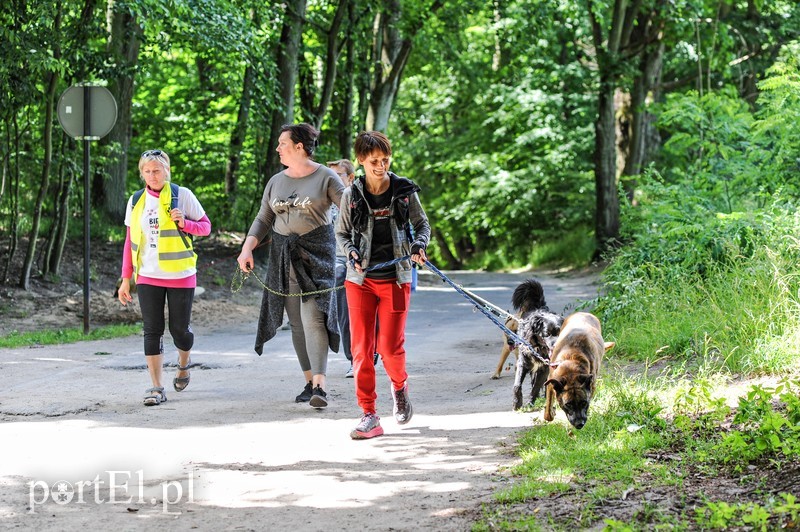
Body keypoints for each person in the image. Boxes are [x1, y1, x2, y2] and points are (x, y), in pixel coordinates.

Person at [237, 123, 345, 409]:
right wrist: (247, 247)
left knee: (313, 319)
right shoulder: (276, 181)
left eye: (282, 143)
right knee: (296, 322)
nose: (277, 148)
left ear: (299, 147)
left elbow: (348, 210)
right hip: (283, 258)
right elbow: (263, 219)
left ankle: (321, 385)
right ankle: (309, 382)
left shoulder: (326, 177)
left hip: (317, 257)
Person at [335, 130, 431, 439]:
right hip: (360, 281)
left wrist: (419, 245)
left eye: (385, 160)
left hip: (395, 277)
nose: (381, 166)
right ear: (361, 161)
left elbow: (422, 224)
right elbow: (342, 234)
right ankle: (369, 415)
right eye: (374, 161)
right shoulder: (351, 194)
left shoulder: (403, 191)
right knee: (362, 350)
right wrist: (350, 252)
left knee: (390, 349)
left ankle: (400, 388)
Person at [118, 149, 211, 406]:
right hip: (147, 275)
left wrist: (185, 224)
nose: (152, 175)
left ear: (167, 171)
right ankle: (156, 387)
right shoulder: (136, 200)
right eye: (147, 171)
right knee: (152, 330)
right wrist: (126, 278)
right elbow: (129, 242)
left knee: (179, 330)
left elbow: (206, 227)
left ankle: (183, 363)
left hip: (180, 274)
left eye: (156, 170)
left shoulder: (183, 195)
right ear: (141, 174)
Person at [327, 159, 356, 378]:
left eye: (339, 175)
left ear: (350, 178)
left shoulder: (360, 200)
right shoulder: (325, 205)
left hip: (366, 261)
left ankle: (373, 349)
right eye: (331, 176)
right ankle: (353, 359)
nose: (335, 180)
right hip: (338, 262)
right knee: (343, 313)